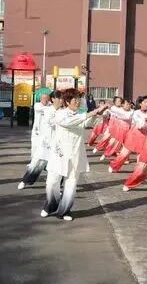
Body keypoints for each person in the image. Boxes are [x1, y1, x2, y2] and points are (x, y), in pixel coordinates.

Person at [42, 89, 108, 221]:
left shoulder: (81, 114)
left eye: (79, 99)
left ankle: (64, 210)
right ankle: (51, 206)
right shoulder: (60, 114)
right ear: (67, 102)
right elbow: (69, 122)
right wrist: (92, 112)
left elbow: (89, 123)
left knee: (71, 184)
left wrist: (97, 114)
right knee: (52, 182)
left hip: (75, 153)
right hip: (59, 154)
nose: (78, 102)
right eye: (75, 99)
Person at [19, 91, 61, 189]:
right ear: (53, 99)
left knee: (57, 165)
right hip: (45, 140)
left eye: (61, 99)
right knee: (37, 162)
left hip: (57, 142)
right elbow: (50, 121)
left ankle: (56, 186)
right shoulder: (42, 108)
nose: (61, 100)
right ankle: (25, 180)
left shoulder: (61, 111)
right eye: (59, 98)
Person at [110, 96, 147, 173]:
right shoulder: (136, 113)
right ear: (140, 104)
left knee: (142, 155)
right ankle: (114, 166)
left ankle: (139, 171)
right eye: (145, 102)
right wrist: (146, 120)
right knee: (125, 153)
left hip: (144, 137)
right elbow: (140, 125)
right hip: (133, 135)